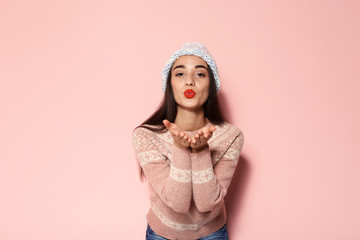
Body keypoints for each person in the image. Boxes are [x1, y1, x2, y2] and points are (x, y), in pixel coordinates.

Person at [132, 42, 244, 240]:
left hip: (212, 233)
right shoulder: (146, 135)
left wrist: (200, 151)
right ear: (169, 84)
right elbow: (178, 203)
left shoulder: (231, 136)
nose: (189, 81)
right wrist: (182, 148)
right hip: (162, 234)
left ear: (212, 85)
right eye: (180, 74)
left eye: (200, 74)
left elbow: (207, 204)